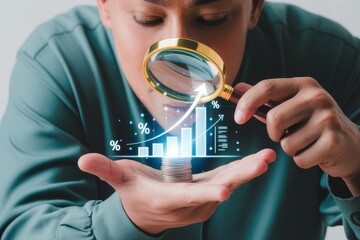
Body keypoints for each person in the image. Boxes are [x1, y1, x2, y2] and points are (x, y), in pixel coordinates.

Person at [0, 0, 359, 239]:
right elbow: (23, 228)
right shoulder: (57, 62)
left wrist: (356, 168)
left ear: (254, 7)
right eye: (148, 18)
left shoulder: (332, 59)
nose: (180, 54)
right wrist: (125, 220)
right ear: (106, 6)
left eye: (213, 18)